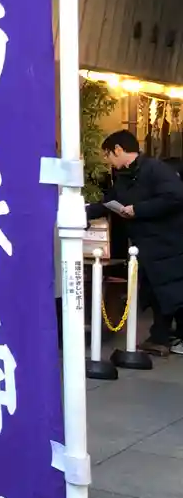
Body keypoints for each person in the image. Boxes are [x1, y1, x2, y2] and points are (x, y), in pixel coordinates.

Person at [87, 130, 183, 357]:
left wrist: (138, 209)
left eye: (107, 154)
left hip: (168, 244)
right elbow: (109, 202)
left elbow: (175, 196)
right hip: (146, 247)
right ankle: (160, 337)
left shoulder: (155, 169)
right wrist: (83, 212)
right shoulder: (123, 176)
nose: (107, 160)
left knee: (173, 294)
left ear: (118, 150)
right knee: (157, 294)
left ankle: (166, 337)